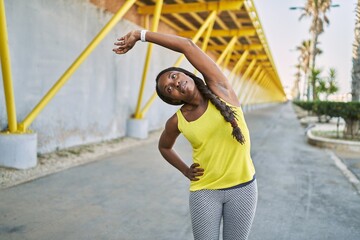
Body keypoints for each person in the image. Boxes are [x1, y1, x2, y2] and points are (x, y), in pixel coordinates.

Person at [113, 30, 257, 240]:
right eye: (169, 89)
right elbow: (164, 147)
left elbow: (187, 46)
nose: (174, 83)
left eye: (174, 76)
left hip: (243, 188)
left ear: (186, 73)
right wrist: (185, 170)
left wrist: (140, 34)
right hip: (205, 192)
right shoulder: (176, 121)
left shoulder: (221, 88)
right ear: (172, 100)